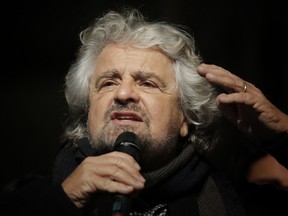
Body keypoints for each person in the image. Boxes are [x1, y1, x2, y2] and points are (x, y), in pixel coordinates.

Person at [1, 7, 287, 216]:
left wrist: (284, 134)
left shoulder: (239, 204)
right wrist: (61, 203)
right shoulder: (26, 202)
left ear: (185, 118)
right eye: (109, 82)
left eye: (148, 83)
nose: (124, 94)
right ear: (88, 110)